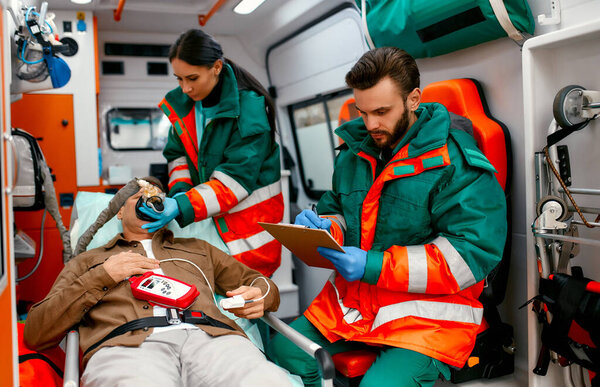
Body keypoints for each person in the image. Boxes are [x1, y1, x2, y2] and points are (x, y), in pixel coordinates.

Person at [269, 47, 507, 386]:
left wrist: (373, 265)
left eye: (382, 111)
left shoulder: (455, 162)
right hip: (354, 303)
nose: (370, 124)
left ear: (413, 99)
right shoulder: (355, 152)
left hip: (426, 317)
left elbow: (469, 255)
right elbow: (338, 205)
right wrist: (330, 226)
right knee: (283, 352)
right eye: (362, 112)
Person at [24, 177, 291, 387]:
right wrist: (102, 275)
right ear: (119, 213)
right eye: (138, 196)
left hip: (213, 340)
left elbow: (261, 283)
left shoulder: (199, 249)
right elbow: (37, 331)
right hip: (128, 347)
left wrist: (260, 295)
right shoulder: (89, 260)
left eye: (156, 197)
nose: (148, 200)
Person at [140, 29, 283, 277]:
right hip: (211, 220)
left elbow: (235, 180)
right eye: (179, 79)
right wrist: (179, 193)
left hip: (248, 232)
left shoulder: (249, 108)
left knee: (245, 302)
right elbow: (178, 157)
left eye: (192, 78)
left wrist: (182, 205)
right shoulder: (183, 107)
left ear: (216, 67)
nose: (185, 88)